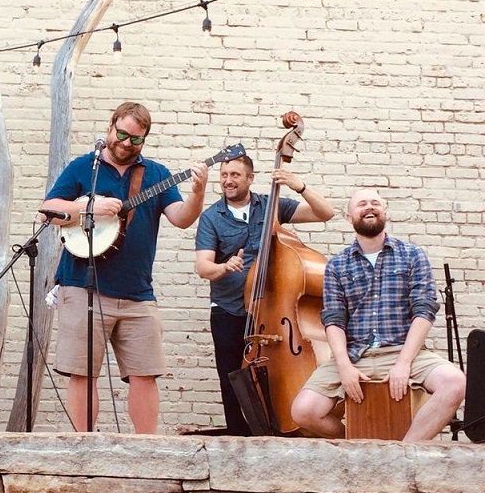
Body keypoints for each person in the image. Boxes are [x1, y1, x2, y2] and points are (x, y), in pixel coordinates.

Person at [40, 102, 208, 434]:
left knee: (146, 372)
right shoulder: (82, 168)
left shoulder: (156, 174)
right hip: (83, 286)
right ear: (111, 126)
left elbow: (182, 218)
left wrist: (199, 193)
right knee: (83, 372)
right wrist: (89, 205)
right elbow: (48, 208)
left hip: (137, 291)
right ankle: (84, 449)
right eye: (122, 134)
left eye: (136, 139)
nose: (126, 143)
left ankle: (147, 450)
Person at [290, 188, 466, 441]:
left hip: (403, 351)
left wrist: (403, 363)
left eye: (376, 203)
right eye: (362, 204)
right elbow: (334, 320)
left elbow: (424, 312)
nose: (369, 207)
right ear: (349, 217)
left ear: (385, 213)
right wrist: (344, 366)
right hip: (354, 354)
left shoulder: (412, 255)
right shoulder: (337, 265)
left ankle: (405, 454)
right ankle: (358, 447)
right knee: (303, 411)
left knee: (455, 382)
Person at [194, 155, 334, 435]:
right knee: (231, 376)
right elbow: (203, 267)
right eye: (224, 175)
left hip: (272, 310)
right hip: (230, 307)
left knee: (278, 368)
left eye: (235, 175)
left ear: (250, 178)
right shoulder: (211, 217)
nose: (227, 180)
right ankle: (238, 434)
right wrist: (224, 266)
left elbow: (325, 213)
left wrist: (299, 186)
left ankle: (281, 426)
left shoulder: (271, 206)